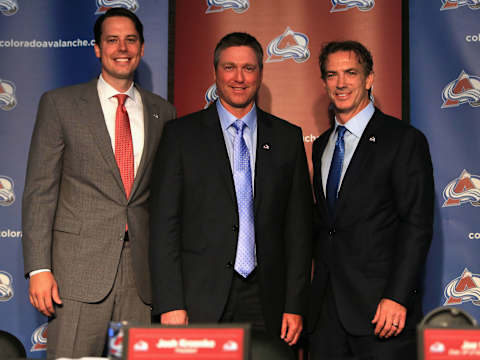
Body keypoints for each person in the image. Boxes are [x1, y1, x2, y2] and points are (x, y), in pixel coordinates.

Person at [21, 8, 176, 359]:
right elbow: (39, 191)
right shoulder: (60, 105)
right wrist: (39, 269)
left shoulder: (163, 112)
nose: (122, 48)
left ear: (142, 47)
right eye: (112, 40)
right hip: (76, 276)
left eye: (130, 40)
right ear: (96, 48)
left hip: (140, 277)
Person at [149, 32, 312, 350]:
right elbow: (163, 226)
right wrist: (170, 303)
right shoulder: (180, 136)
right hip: (199, 300)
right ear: (215, 73)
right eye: (230, 67)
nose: (239, 78)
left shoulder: (287, 138)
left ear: (261, 74)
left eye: (249, 68)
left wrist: (294, 303)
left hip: (269, 301)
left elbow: (298, 231)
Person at [308, 40, 434, 360]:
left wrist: (397, 296)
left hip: (382, 313)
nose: (341, 83)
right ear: (324, 82)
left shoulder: (403, 140)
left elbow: (416, 225)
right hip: (327, 316)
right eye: (332, 74)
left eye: (351, 73)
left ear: (369, 79)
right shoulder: (321, 145)